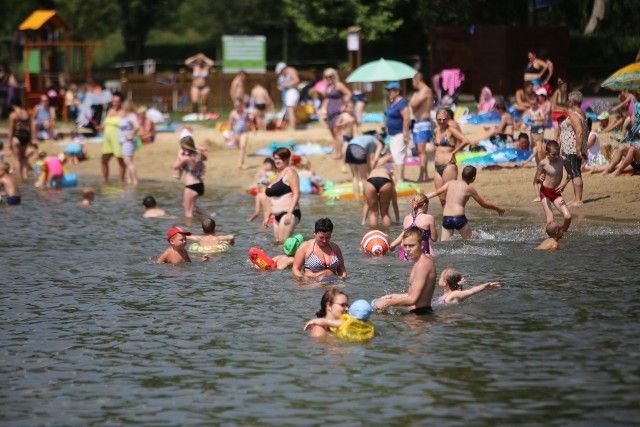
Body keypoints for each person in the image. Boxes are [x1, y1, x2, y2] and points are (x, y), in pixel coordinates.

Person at [426, 166, 505, 240]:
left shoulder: (451, 183)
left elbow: (436, 192)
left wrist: (422, 198)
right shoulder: (469, 189)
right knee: (471, 241)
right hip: (459, 218)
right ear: (473, 178)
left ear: (462, 174)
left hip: (447, 218)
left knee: (445, 244)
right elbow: (483, 204)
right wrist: (498, 208)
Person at [372, 227, 436, 315]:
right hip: (417, 314)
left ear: (422, 244)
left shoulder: (423, 265)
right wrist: (391, 297)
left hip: (421, 316)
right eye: (405, 245)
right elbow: (413, 294)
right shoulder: (418, 263)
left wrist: (388, 303)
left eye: (411, 245)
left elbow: (413, 299)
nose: (407, 249)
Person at [432, 108, 471, 207]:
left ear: (448, 118)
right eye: (439, 119)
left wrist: (453, 152)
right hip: (437, 167)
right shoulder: (436, 130)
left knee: (449, 196)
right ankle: (445, 221)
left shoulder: (451, 130)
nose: (441, 121)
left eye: (444, 119)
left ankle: (454, 218)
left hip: (448, 166)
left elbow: (465, 141)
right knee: (441, 198)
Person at [263, 147, 301, 242]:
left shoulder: (290, 172)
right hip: (277, 216)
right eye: (275, 159)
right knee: (278, 243)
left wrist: (289, 213)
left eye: (280, 158)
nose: (277, 161)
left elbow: (296, 193)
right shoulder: (277, 174)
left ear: (287, 159)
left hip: (288, 213)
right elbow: (269, 197)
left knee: (283, 244)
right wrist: (267, 216)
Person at [534, 140, 572, 232]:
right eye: (554, 154)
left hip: (556, 193)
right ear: (547, 153)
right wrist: (540, 178)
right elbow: (536, 180)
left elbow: (570, 174)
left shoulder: (563, 160)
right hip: (545, 193)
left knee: (568, 216)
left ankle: (563, 233)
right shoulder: (543, 163)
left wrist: (564, 184)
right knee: (550, 220)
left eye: (558, 154)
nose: (556, 157)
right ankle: (545, 238)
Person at [559, 90, 588, 207]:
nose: (568, 102)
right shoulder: (581, 113)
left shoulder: (574, 114)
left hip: (573, 148)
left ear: (572, 101)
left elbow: (579, 131)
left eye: (568, 100)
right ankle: (575, 197)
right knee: (574, 171)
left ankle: (579, 200)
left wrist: (578, 149)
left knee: (575, 172)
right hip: (573, 147)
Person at [390, 193, 437, 259]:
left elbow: (404, 236)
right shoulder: (429, 218)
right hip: (422, 253)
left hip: (405, 253)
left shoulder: (406, 218)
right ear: (424, 204)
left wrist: (393, 245)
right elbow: (434, 238)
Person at [173, 135, 211, 218]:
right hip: (200, 185)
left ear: (185, 147)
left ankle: (190, 229)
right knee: (190, 207)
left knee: (188, 213)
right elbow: (204, 159)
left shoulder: (185, 158)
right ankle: (209, 216)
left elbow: (175, 166)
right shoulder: (198, 154)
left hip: (191, 186)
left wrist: (179, 156)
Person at [304, 299, 375, 341]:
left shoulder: (345, 322)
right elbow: (375, 333)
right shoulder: (369, 325)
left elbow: (326, 322)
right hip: (364, 339)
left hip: (347, 339)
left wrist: (313, 321)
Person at [320, 68, 351, 160]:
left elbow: (348, 93)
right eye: (326, 77)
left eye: (330, 76)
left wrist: (344, 105)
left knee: (337, 133)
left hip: (337, 112)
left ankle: (339, 152)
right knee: (333, 134)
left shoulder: (338, 85)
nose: (328, 78)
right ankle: (336, 151)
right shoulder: (326, 87)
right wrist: (322, 111)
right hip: (329, 113)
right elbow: (326, 99)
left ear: (334, 76)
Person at [409, 72, 435, 182]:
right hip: (418, 123)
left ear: (417, 80)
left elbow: (413, 105)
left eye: (413, 81)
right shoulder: (421, 92)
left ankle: (423, 175)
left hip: (423, 123)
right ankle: (424, 174)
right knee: (420, 151)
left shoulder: (426, 90)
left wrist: (414, 98)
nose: (412, 84)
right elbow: (413, 105)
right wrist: (414, 99)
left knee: (421, 150)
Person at [345, 133, 384, 201]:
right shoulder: (377, 143)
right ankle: (367, 199)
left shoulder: (367, 138)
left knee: (355, 177)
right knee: (364, 177)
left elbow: (367, 159)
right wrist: (371, 171)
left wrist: (370, 170)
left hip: (349, 148)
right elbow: (375, 159)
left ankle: (357, 200)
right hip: (358, 149)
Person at [384, 82, 410, 182]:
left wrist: (405, 133)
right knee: (395, 155)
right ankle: (399, 177)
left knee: (399, 155)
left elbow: (406, 118)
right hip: (392, 133)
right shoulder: (391, 102)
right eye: (388, 90)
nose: (389, 92)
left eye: (391, 90)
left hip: (400, 133)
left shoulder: (402, 102)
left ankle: (400, 178)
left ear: (397, 91)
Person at [436, 268, 500, 305]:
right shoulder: (442, 297)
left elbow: (471, 291)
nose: (439, 278)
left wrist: (485, 286)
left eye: (440, 277)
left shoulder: (454, 294)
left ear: (445, 283)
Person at [100, 92, 125, 184]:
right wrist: (101, 127)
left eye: (117, 102)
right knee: (103, 161)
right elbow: (105, 124)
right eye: (114, 101)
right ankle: (105, 181)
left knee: (121, 162)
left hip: (118, 140)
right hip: (108, 141)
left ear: (121, 102)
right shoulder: (110, 111)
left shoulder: (123, 112)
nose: (115, 103)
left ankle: (121, 181)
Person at [184, 53, 214, 119]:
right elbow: (186, 62)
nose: (199, 62)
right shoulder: (194, 67)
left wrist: (204, 57)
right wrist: (195, 57)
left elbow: (212, 63)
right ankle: (196, 115)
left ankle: (204, 116)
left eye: (201, 61)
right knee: (195, 101)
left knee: (204, 102)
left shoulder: (206, 67)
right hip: (195, 86)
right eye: (198, 61)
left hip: (205, 87)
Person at [7, 98, 31, 179]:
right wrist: (30, 140)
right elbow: (29, 127)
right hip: (26, 135)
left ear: (13, 105)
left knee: (17, 158)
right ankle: (25, 176)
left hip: (17, 135)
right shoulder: (26, 113)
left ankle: (19, 178)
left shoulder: (13, 115)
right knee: (23, 157)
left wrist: (9, 143)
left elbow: (11, 130)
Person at [118, 100, 140, 185]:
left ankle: (134, 180)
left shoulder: (132, 116)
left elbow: (137, 127)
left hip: (128, 142)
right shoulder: (125, 116)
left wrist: (131, 135)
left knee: (128, 161)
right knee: (128, 161)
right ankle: (130, 180)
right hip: (124, 142)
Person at [275, 62, 300, 131]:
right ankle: (292, 126)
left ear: (283, 69)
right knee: (291, 111)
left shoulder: (290, 70)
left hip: (292, 92)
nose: (280, 73)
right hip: (290, 93)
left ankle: (292, 128)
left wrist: (286, 84)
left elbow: (297, 80)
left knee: (290, 110)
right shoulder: (286, 73)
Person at [227, 98, 250, 169]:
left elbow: (248, 120)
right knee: (239, 148)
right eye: (235, 106)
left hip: (244, 132)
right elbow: (230, 123)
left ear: (241, 105)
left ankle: (240, 163)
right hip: (236, 133)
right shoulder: (233, 113)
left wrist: (253, 128)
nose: (237, 107)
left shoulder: (245, 112)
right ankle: (241, 161)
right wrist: (229, 133)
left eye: (238, 106)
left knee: (242, 147)